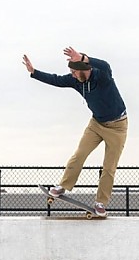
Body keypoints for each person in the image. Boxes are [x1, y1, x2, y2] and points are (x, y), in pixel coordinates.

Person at [22, 46, 127, 218]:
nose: (71, 75)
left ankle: (101, 202)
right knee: (79, 155)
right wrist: (34, 72)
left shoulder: (102, 76)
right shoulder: (75, 81)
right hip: (96, 124)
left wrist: (84, 57)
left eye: (73, 71)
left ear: (82, 70)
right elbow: (56, 80)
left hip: (118, 127)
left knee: (109, 167)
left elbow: (106, 65)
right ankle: (63, 185)